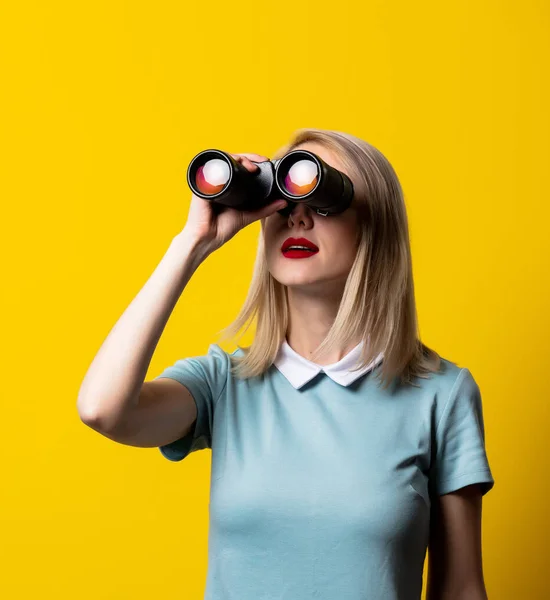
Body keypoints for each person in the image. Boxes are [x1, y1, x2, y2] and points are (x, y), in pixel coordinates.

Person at [77, 128, 495, 600]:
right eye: (281, 199)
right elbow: (102, 410)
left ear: (373, 225)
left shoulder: (441, 393)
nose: (297, 218)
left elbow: (460, 588)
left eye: (322, 200)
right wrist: (193, 242)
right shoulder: (223, 384)